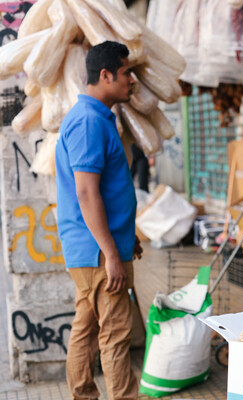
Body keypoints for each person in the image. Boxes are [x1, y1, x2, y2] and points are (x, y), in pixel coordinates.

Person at [55, 41, 141, 399]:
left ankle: (83, 395)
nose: (132, 81)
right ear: (105, 76)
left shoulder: (95, 118)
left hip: (96, 249)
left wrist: (125, 236)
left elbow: (104, 191)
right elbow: (87, 193)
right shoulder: (90, 122)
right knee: (116, 333)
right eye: (126, 73)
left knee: (86, 329)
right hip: (97, 254)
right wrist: (109, 252)